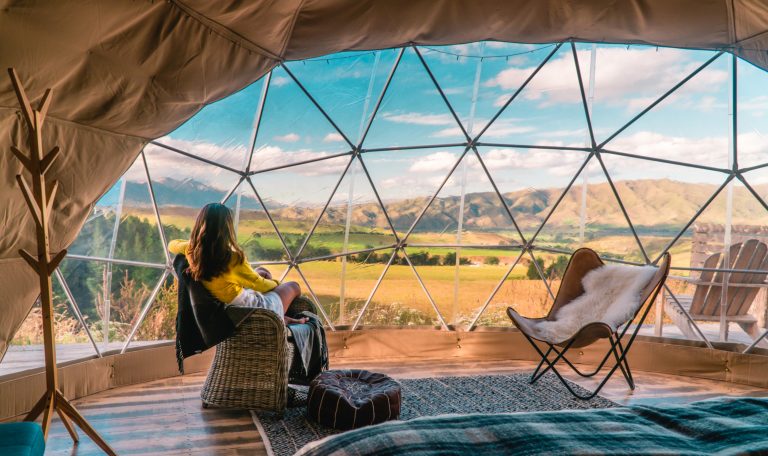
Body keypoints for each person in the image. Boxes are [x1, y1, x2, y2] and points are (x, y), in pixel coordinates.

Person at [168, 202, 307, 325]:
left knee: (262, 271)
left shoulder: (191, 250)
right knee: (294, 286)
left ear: (200, 224)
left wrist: (192, 243)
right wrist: (278, 285)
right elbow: (260, 285)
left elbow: (171, 244)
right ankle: (278, 318)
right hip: (249, 309)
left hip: (229, 304)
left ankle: (282, 318)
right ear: (227, 229)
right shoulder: (232, 258)